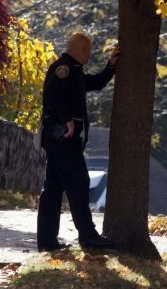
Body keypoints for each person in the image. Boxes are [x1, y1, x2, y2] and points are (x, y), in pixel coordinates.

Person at [36, 32, 119, 252]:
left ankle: (47, 243)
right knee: (79, 184)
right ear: (81, 50)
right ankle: (88, 237)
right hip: (63, 139)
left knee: (53, 191)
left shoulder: (75, 72)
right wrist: (66, 119)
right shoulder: (62, 69)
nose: (90, 54)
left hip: (62, 140)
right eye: (89, 50)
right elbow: (52, 96)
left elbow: (96, 82)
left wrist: (110, 66)